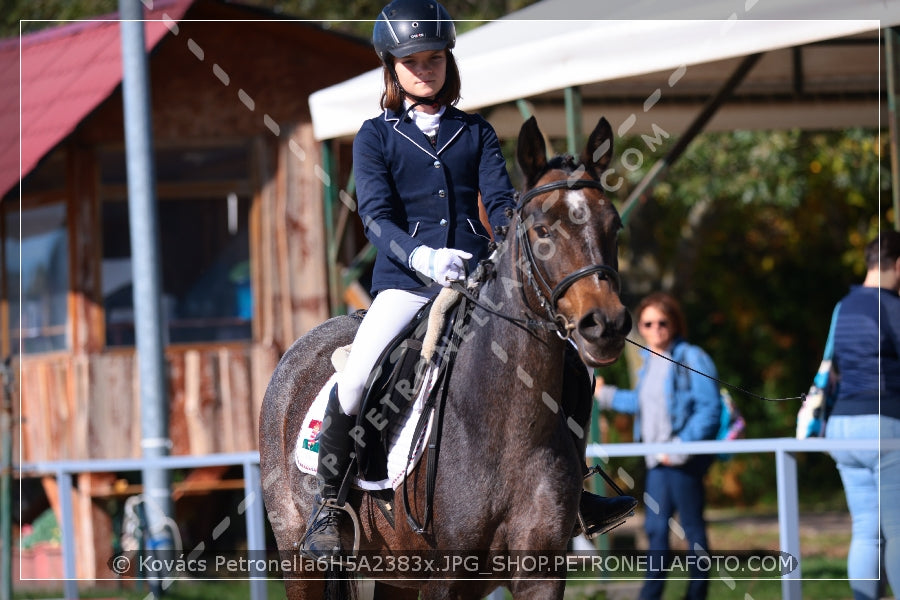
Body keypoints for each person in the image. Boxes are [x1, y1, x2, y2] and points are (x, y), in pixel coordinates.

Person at [299, 0, 635, 559]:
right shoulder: (374, 136)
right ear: (393, 67)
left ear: (447, 64)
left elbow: (501, 204)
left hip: (480, 282)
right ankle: (328, 510)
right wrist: (424, 259)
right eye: (412, 61)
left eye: (433, 59)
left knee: (571, 365)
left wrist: (510, 238)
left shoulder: (475, 132)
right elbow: (376, 216)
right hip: (406, 285)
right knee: (357, 377)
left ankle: (576, 494)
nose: (424, 69)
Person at [595, 291, 721, 600]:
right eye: (647, 324)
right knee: (655, 531)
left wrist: (678, 447)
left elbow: (710, 408)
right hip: (656, 462)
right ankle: (650, 595)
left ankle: (696, 594)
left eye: (662, 323)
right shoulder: (648, 362)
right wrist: (605, 394)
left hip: (681, 461)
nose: (655, 330)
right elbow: (643, 403)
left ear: (675, 323)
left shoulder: (692, 357)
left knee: (692, 531)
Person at [825, 231, 900, 600]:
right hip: (883, 425)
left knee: (866, 529)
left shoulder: (844, 306)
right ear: (898, 265)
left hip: (842, 427)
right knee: (898, 530)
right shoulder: (893, 307)